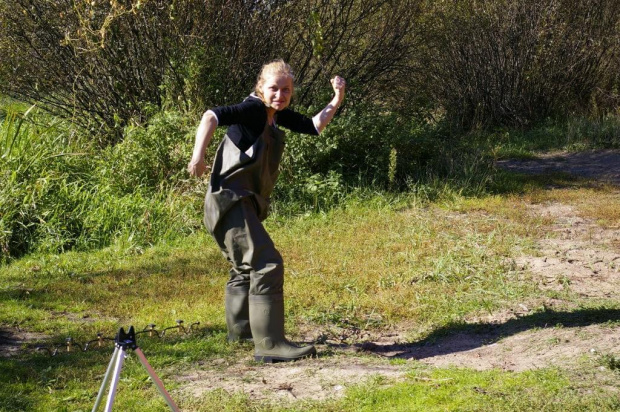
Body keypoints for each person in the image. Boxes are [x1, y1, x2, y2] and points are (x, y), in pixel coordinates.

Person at [188, 60, 346, 362]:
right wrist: (199, 156)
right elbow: (211, 116)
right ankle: (270, 345)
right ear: (261, 87)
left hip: (238, 202)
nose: (280, 94)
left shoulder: (275, 116)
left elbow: (313, 125)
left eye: (286, 90)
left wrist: (336, 99)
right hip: (230, 202)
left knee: (246, 266)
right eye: (274, 88)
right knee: (267, 263)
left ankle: (242, 333)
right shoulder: (254, 110)